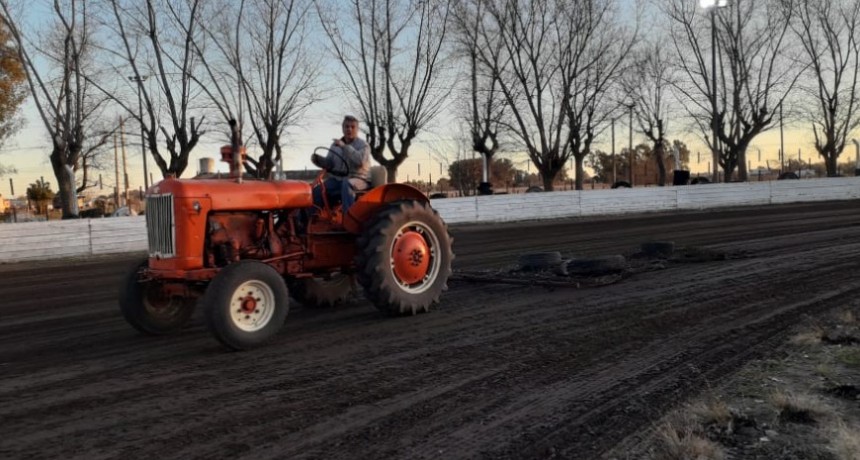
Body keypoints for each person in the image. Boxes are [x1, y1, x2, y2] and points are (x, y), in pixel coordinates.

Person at [310, 115, 372, 215]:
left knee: (347, 184)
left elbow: (360, 161)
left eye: (352, 127)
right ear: (342, 128)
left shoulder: (363, 145)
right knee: (317, 190)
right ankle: (310, 219)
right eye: (346, 126)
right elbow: (330, 163)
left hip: (360, 179)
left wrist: (344, 147)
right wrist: (319, 160)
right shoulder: (335, 146)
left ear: (357, 129)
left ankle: (349, 218)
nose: (349, 129)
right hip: (338, 179)